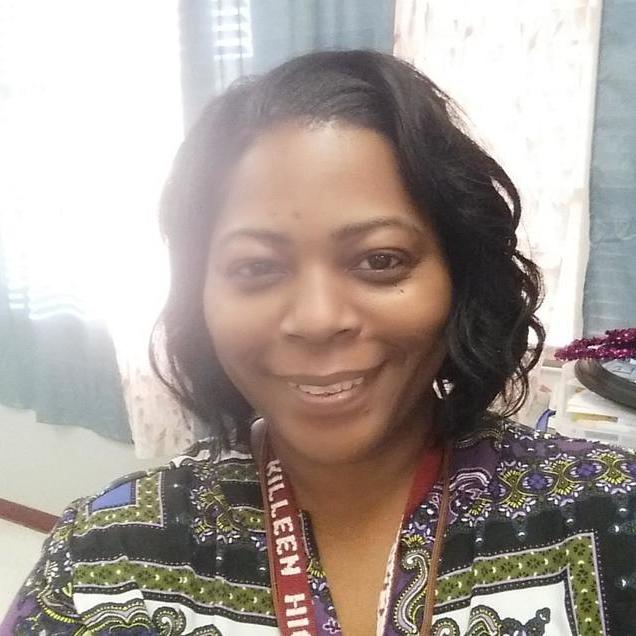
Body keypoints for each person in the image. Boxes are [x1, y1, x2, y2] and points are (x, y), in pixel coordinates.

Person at [2, 49, 636, 636]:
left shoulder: (611, 514)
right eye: (257, 267)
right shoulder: (104, 560)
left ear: (460, 276)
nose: (316, 319)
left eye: (380, 260)